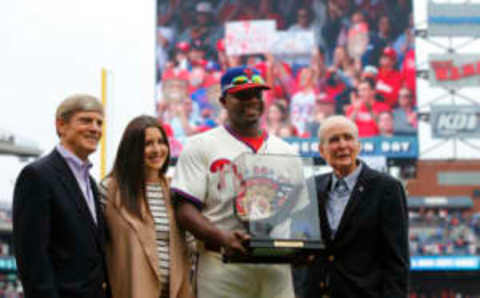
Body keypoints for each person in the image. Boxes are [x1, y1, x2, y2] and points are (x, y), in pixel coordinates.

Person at [171, 66, 296, 298]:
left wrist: (302, 246)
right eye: (241, 95)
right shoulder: (200, 145)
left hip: (275, 267)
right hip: (222, 263)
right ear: (223, 101)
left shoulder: (286, 151)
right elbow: (185, 209)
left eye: (256, 95)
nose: (251, 101)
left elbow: (299, 215)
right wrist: (221, 237)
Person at [13, 94, 110, 298]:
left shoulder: (91, 183)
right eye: (86, 120)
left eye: (99, 123)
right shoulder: (37, 176)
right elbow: (33, 259)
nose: (95, 128)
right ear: (61, 125)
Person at [305, 115, 409, 297]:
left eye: (348, 137)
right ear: (322, 150)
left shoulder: (387, 188)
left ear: (358, 145)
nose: (342, 145)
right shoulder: (310, 187)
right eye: (334, 139)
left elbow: (396, 260)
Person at [99, 115, 193, 298]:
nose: (157, 149)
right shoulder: (110, 189)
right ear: (131, 149)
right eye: (148, 143)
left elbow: (190, 245)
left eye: (161, 142)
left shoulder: (175, 190)